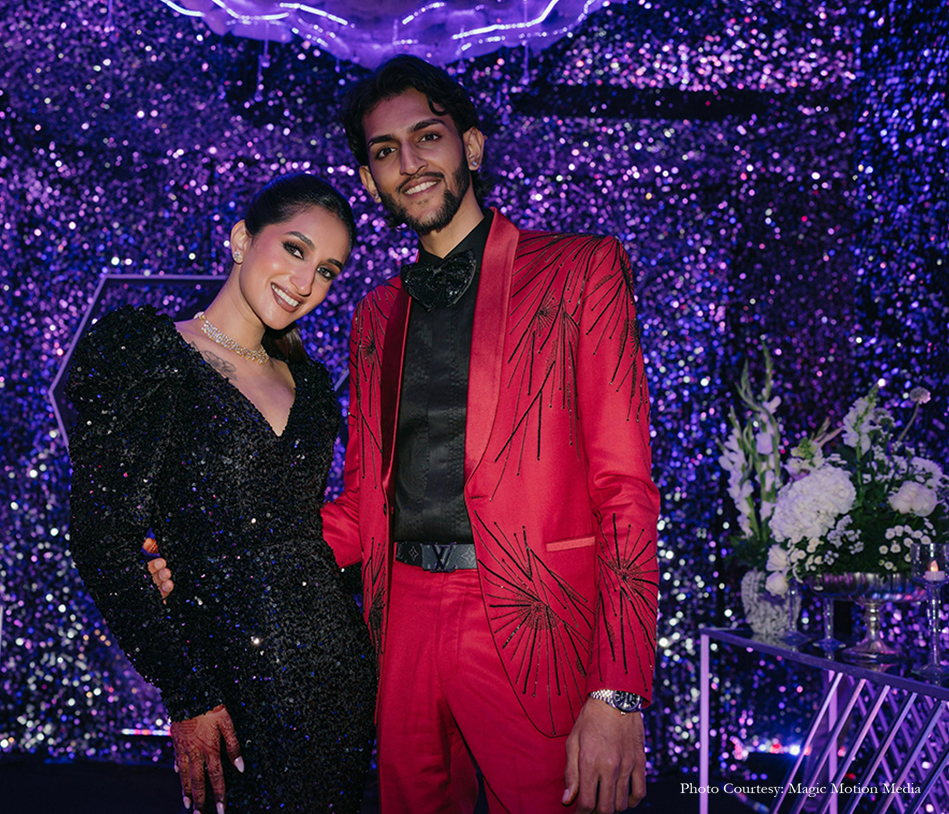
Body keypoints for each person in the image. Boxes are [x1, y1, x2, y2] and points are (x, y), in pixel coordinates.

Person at [151, 56, 660, 814]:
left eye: (428, 136)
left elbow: (624, 491)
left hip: (537, 626)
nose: (410, 162)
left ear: (471, 146)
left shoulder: (579, 270)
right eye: (386, 150)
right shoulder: (376, 314)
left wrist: (618, 688)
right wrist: (210, 554)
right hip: (402, 628)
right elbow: (364, 505)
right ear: (369, 180)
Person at [68, 173, 377, 814]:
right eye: (294, 249)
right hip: (227, 690)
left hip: (338, 679)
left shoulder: (312, 390)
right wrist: (187, 693)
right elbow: (102, 539)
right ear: (242, 239)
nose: (305, 282)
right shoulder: (151, 356)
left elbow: (300, 540)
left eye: (327, 270)